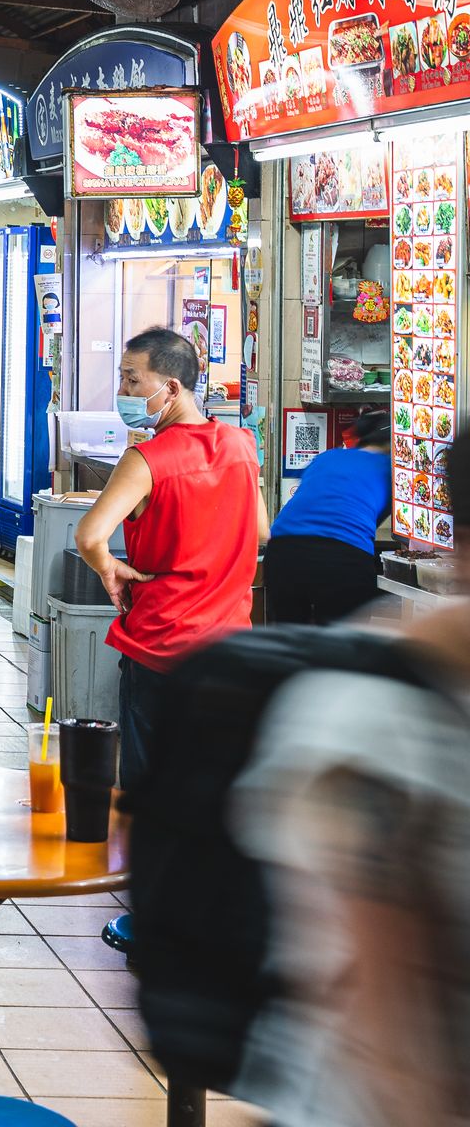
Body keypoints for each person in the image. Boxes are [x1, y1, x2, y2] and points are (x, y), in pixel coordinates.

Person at [225, 435, 470, 1127]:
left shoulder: (335, 457)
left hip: (290, 558)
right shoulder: (383, 718)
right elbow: (386, 1011)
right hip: (360, 1104)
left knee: (301, 642)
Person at [74, 327, 267, 788]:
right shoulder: (242, 445)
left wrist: (108, 568)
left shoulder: (146, 459)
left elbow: (89, 535)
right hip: (228, 650)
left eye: (132, 380)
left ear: (172, 388)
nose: (122, 391)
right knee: (211, 782)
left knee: (148, 784)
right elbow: (261, 531)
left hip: (162, 645)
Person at [263, 411, 390, 625]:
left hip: (283, 551)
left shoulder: (328, 457)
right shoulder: (391, 469)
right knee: (342, 647)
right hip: (343, 558)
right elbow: (374, 517)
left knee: (286, 640)